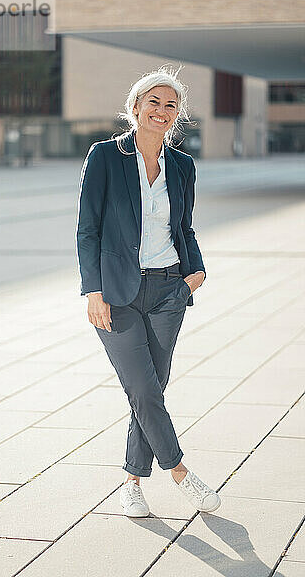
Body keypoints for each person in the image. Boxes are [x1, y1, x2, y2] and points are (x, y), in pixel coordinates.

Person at [76, 66, 221, 518]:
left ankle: (132, 483)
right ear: (135, 108)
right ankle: (180, 472)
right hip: (117, 293)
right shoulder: (105, 156)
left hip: (168, 291)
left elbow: (184, 226)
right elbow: (88, 229)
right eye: (153, 102)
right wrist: (92, 289)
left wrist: (194, 269)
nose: (161, 111)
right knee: (143, 388)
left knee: (151, 389)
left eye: (170, 105)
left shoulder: (182, 165)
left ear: (177, 115)